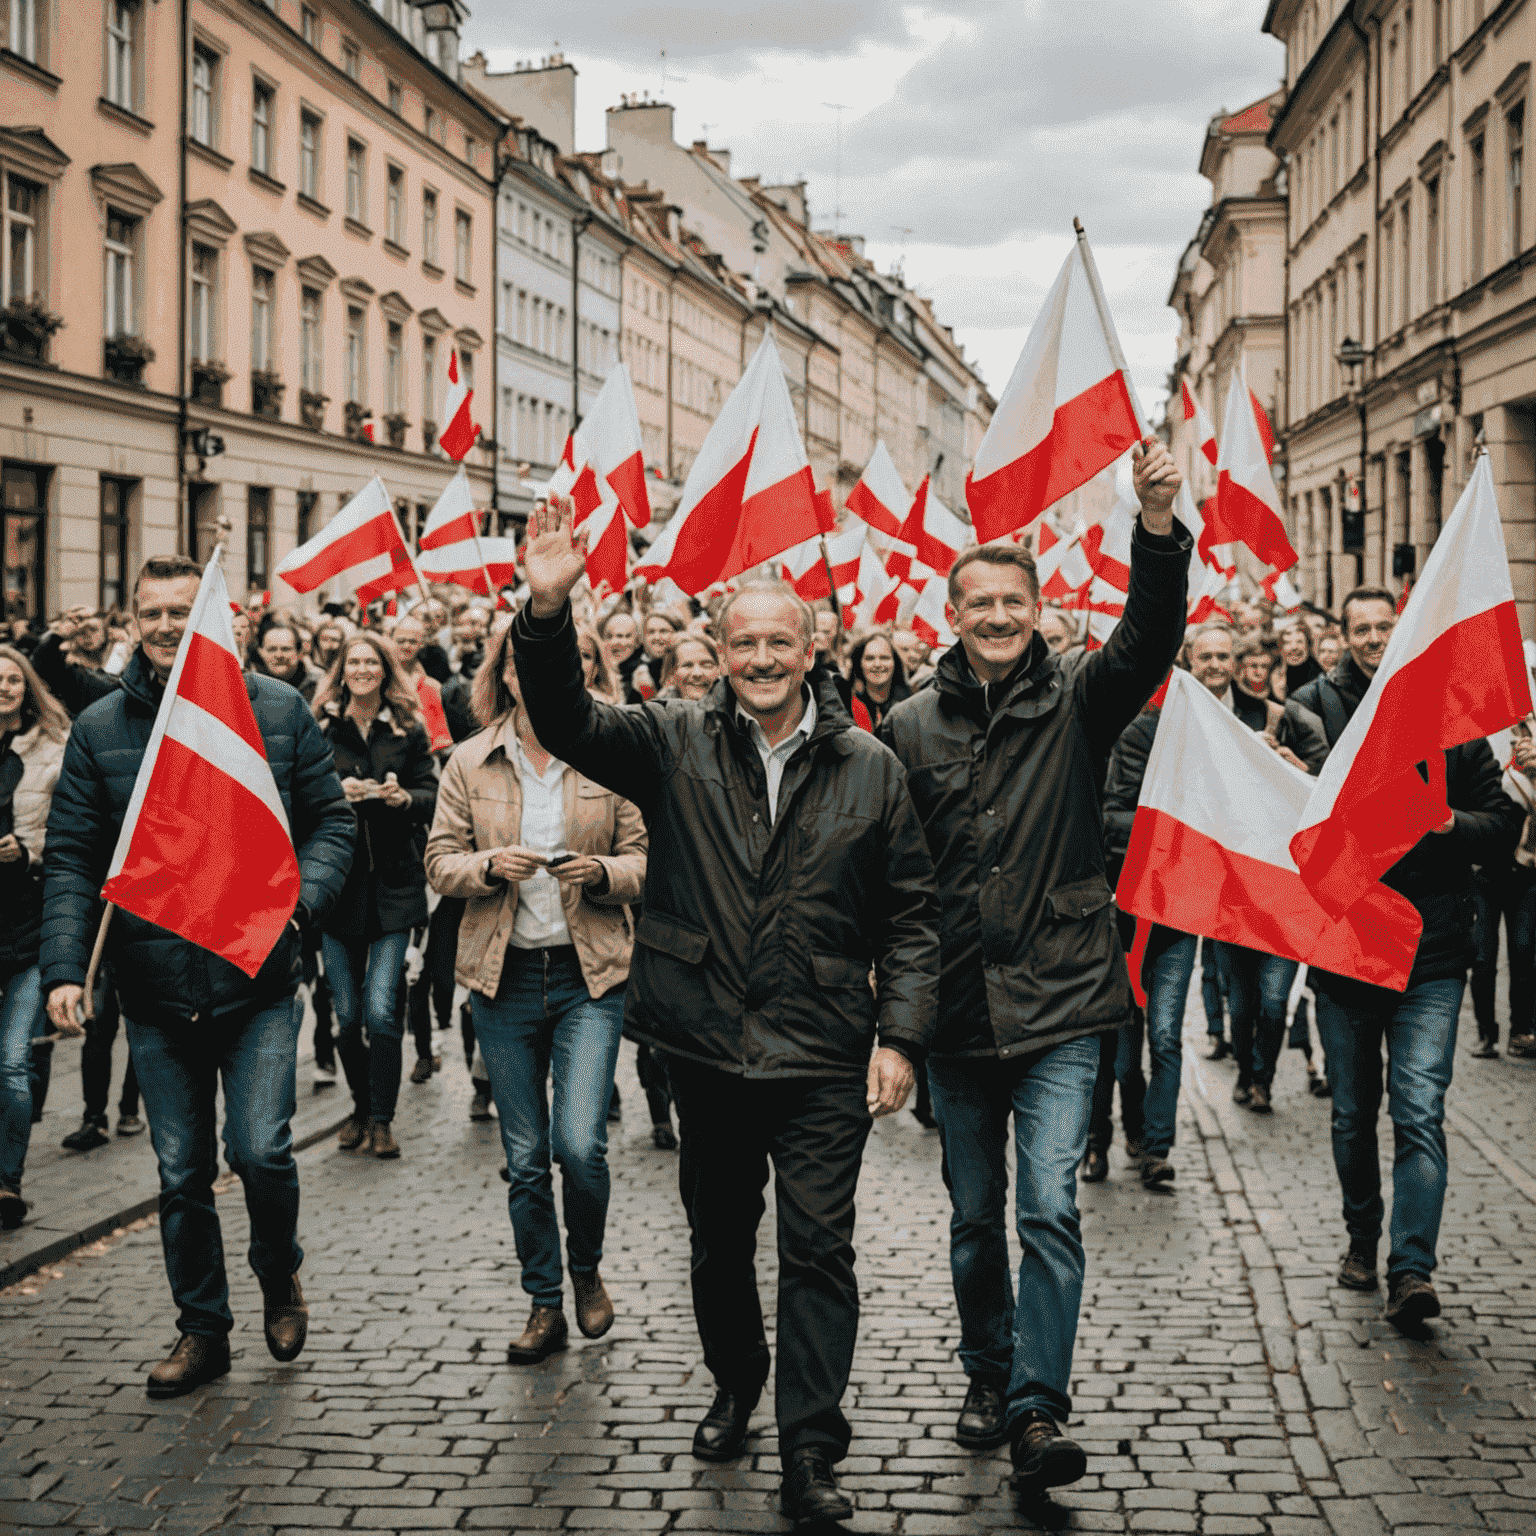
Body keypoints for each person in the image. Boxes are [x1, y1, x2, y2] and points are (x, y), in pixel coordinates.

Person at [512, 498, 939, 1527]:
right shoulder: (669, 739)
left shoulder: (869, 765)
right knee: (717, 1238)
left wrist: (901, 1038)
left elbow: (915, 917)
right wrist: (546, 604)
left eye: (776, 642)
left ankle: (808, 1447)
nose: (758, 658)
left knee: (818, 1249)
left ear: (811, 649)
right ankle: (737, 1377)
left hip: (824, 1050)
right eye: (741, 642)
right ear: (718, 650)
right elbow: (565, 717)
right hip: (701, 1043)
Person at [879, 439, 1190, 1492]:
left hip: (1061, 999)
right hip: (958, 1014)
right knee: (974, 1220)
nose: (1000, 619)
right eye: (982, 605)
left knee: (1048, 1206)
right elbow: (891, 876)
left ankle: (1036, 1405)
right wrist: (889, 1011)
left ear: (1039, 610)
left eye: (1015, 603)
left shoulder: (1082, 699)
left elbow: (1148, 642)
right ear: (952, 615)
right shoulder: (907, 726)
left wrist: (1155, 527)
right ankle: (985, 1369)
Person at [40, 555, 354, 1396]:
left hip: (255, 981)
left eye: (183, 609)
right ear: (131, 620)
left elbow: (331, 825)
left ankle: (278, 1268)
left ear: (215, 616)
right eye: (152, 613)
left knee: (260, 1151)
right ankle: (201, 1330)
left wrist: (298, 908)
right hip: (151, 990)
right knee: (181, 1173)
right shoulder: (100, 728)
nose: (168, 625)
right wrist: (67, 969)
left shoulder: (278, 709)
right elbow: (71, 858)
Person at [1279, 585, 1522, 1326]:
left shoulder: (1449, 715)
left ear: (1403, 630)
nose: (1374, 637)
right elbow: (1293, 816)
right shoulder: (1313, 710)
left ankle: (1411, 1267)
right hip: (1348, 948)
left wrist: (1451, 822)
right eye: (1360, 627)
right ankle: (1362, 1234)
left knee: (1419, 1110)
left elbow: (1504, 821)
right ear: (1341, 636)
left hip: (1433, 952)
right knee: (1354, 1112)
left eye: (1386, 626)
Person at [424, 619, 647, 1361]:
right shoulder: (471, 761)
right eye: (522, 663)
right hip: (504, 976)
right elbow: (440, 862)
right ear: (506, 674)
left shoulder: (614, 754)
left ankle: (586, 1271)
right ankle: (543, 1300)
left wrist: (606, 875)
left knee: (579, 1144)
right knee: (525, 1157)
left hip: (591, 976)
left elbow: (647, 857)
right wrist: (488, 866)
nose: (547, 672)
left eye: (577, 659)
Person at [314, 634, 437, 1161]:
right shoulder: (320, 728)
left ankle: (383, 1120)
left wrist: (402, 797)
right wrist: (332, 795)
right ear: (341, 671)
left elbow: (432, 793)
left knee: (382, 1010)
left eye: (371, 663)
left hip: (393, 886)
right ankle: (360, 1107)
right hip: (338, 893)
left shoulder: (406, 728)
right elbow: (298, 797)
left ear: (386, 672)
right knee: (346, 1015)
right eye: (353, 663)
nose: (362, 670)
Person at [0, 646, 70, 1229]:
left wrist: (27, 850)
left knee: (11, 1063)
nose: (3, 688)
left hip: (29, 925)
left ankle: (7, 1181)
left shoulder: (53, 750)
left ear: (27, 688)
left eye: (12, 680)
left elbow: (72, 833)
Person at [849, 632, 911, 732]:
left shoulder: (909, 704)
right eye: (870, 658)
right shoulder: (846, 704)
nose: (877, 664)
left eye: (884, 658)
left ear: (895, 663)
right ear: (859, 664)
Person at [254, 622, 319, 702]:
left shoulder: (319, 685)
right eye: (272, 649)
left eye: (286, 649)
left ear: (300, 652)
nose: (279, 655)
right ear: (261, 652)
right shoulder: (250, 687)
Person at [657, 634, 721, 701]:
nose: (697, 673)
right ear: (671, 674)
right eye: (687, 665)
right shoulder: (655, 710)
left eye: (706, 665)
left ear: (719, 669)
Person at [1276, 618, 1323, 698]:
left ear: (1308, 645)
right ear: (1281, 648)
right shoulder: (1274, 675)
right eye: (1288, 642)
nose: (1294, 647)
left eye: (1299, 642)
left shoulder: (1319, 678)